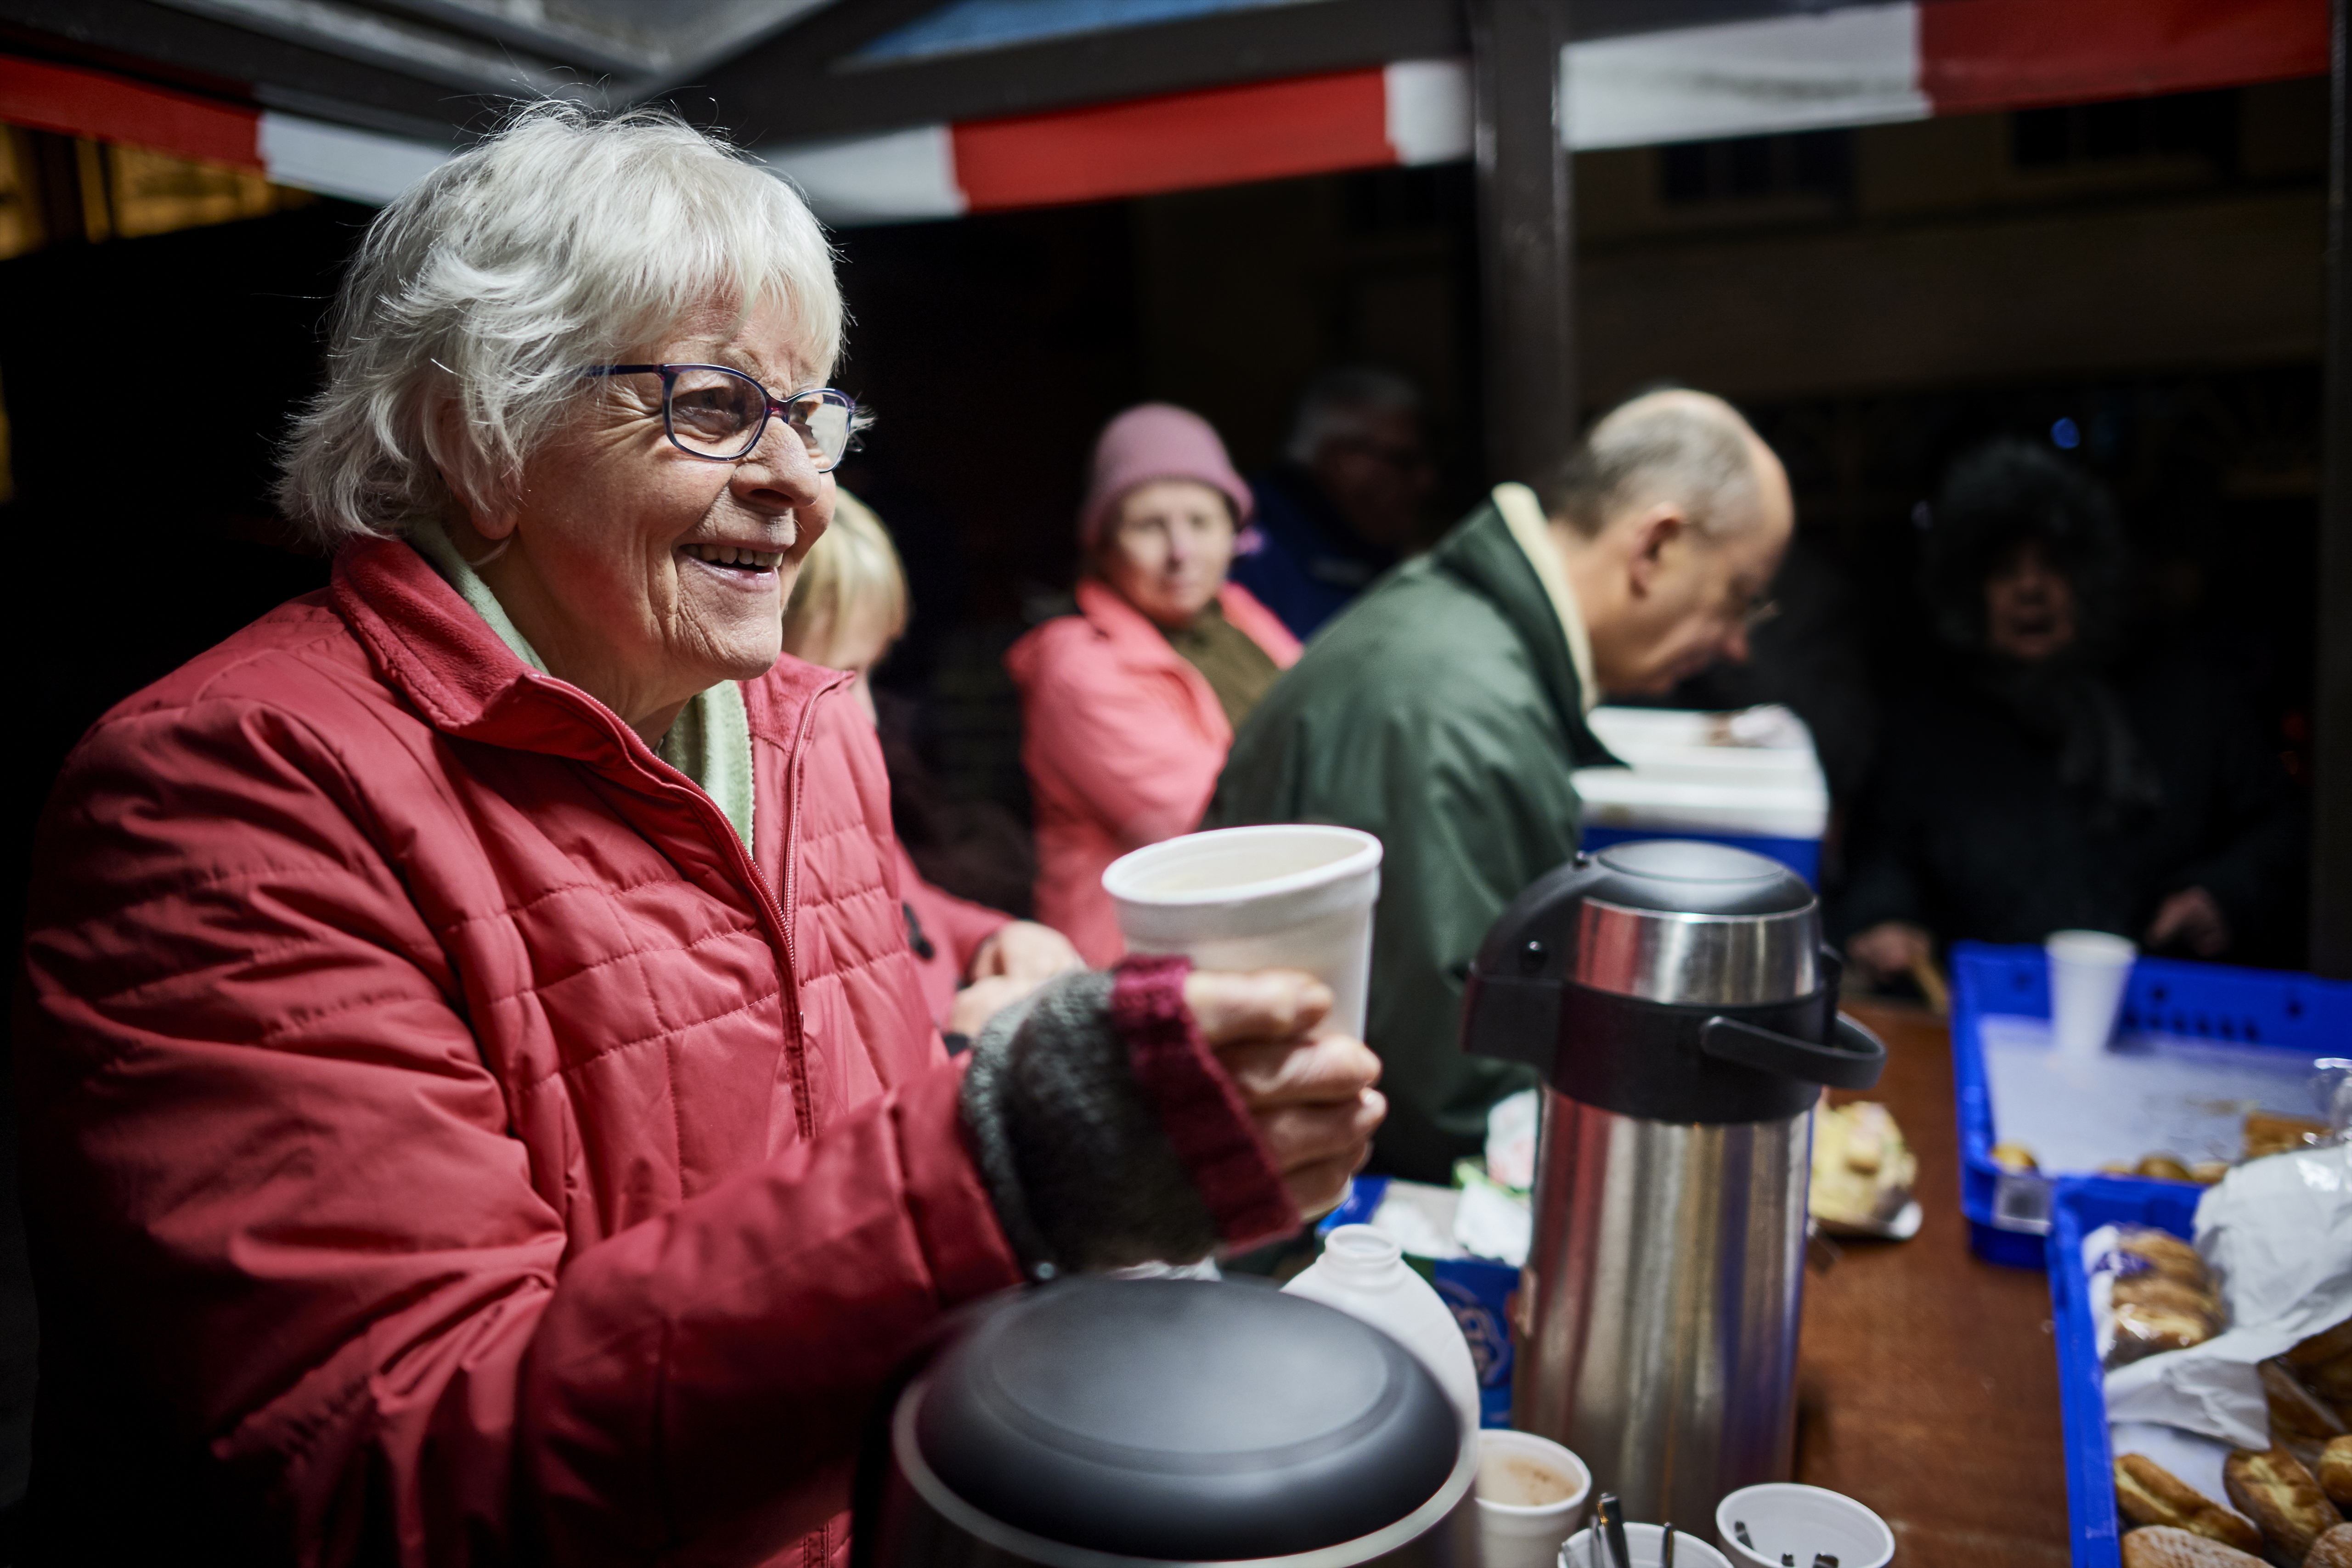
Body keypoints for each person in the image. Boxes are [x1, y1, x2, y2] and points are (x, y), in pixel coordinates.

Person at [13, 106, 1385, 1568]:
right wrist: (1011, 1161)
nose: (802, 487)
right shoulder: (236, 793)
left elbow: (807, 1124)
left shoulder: (803, 727)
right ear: (477, 437)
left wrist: (1041, 1047)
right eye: (714, 409)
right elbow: (391, 1473)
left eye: (813, 414)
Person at [1211, 389, 1794, 1182]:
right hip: (1313, 1217)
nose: (1733, 643)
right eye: (1739, 595)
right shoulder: (1454, 700)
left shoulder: (1468, 638)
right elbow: (1445, 1081)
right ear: (1657, 544)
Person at [1840, 440, 2300, 980]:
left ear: (2092, 577)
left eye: (2054, 565)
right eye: (2005, 571)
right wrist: (1885, 918)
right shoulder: (1926, 721)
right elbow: (1882, 851)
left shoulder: (2189, 695)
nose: (2031, 588)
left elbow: (2281, 826)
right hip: (1986, 1005)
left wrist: (2224, 893)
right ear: (1969, 593)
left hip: (2163, 1007)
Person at [1006, 403, 1302, 965]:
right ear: (1103, 544)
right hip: (1140, 965)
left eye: (1201, 522)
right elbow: (1210, 827)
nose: (1181, 553)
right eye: (1149, 526)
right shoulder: (1076, 664)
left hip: (1245, 940)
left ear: (1234, 533)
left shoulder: (1238, 618)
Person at [780, 489, 1080, 1036]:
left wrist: (991, 938)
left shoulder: (836, 785)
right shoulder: (772, 841)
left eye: (873, 672)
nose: (868, 712)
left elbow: (906, 906)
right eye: (840, 680)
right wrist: (956, 1039)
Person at [1230, 366, 1438, 640]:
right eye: (1403, 460)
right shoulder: (1250, 548)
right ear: (1340, 457)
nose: (1427, 480)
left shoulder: (1368, 541)